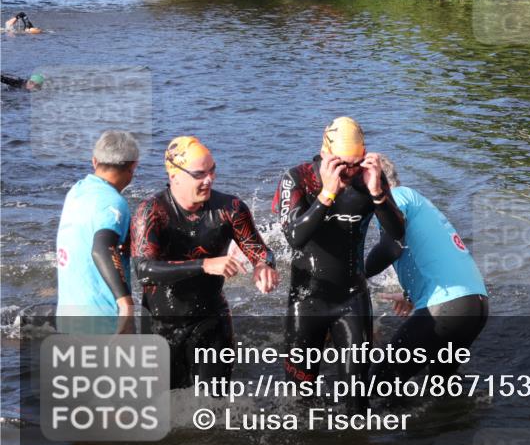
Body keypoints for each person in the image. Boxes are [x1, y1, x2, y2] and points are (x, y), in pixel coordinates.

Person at [131, 136, 279, 389]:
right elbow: (144, 271)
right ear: (175, 175)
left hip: (211, 319)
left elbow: (260, 252)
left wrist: (264, 266)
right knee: (165, 411)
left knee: (213, 410)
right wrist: (204, 265)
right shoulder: (151, 212)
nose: (209, 179)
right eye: (200, 174)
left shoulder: (230, 208)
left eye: (212, 171)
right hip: (160, 324)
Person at [275, 117, 405, 402]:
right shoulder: (297, 178)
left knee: (357, 399)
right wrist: (326, 195)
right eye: (342, 163)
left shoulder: (370, 178)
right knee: (298, 400)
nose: (349, 171)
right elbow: (294, 236)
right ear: (325, 153)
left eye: (355, 163)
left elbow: (397, 233)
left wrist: (378, 194)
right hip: (306, 300)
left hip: (352, 299)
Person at [365, 155, 488, 384]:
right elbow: (433, 255)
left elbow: (391, 248)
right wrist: (410, 294)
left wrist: (353, 275)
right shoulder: (418, 200)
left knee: (379, 384)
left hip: (449, 307)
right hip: (476, 304)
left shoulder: (397, 198)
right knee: (438, 389)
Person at [55, 131, 140, 334]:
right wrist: (126, 304)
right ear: (133, 166)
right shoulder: (113, 203)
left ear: (94, 161)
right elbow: (102, 248)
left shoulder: (76, 192)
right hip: (102, 322)